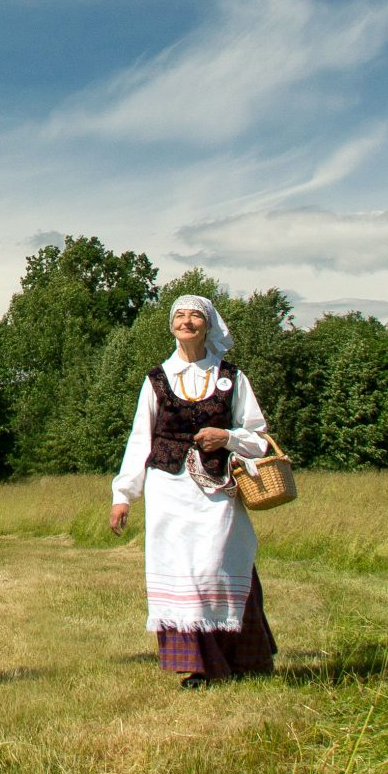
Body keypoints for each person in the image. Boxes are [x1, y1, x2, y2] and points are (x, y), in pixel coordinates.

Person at [108, 294, 276, 686]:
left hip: (217, 490)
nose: (186, 322)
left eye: (195, 316)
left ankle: (246, 660)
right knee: (180, 569)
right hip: (168, 489)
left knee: (221, 563)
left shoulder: (232, 377)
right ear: (171, 325)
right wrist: (123, 495)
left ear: (209, 325)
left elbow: (259, 438)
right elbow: (140, 439)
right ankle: (198, 666)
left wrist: (227, 437)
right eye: (180, 316)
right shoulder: (156, 379)